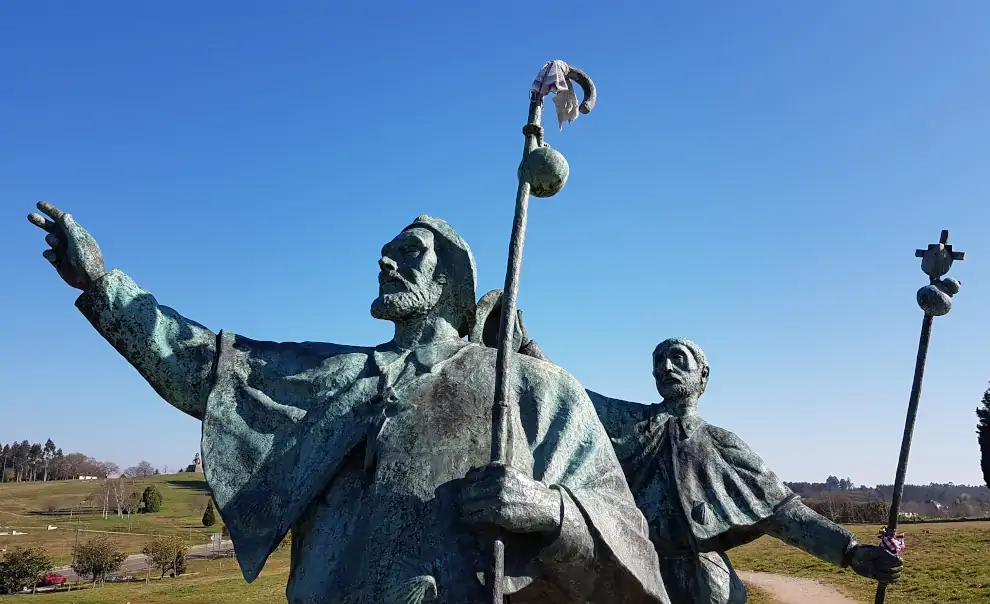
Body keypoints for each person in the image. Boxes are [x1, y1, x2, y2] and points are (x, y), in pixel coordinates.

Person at [26, 202, 668, 604]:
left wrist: (552, 510)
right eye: (385, 254)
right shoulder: (338, 376)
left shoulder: (532, 390)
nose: (387, 262)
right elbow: (205, 366)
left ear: (449, 281)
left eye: (409, 254)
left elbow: (631, 547)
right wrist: (105, 287)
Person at [588, 338, 904, 603]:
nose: (666, 367)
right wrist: (534, 349)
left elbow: (781, 512)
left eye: (678, 358)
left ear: (703, 374)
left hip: (702, 580)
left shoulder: (722, 444)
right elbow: (572, 397)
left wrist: (850, 551)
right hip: (637, 567)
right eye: (658, 361)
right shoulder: (630, 423)